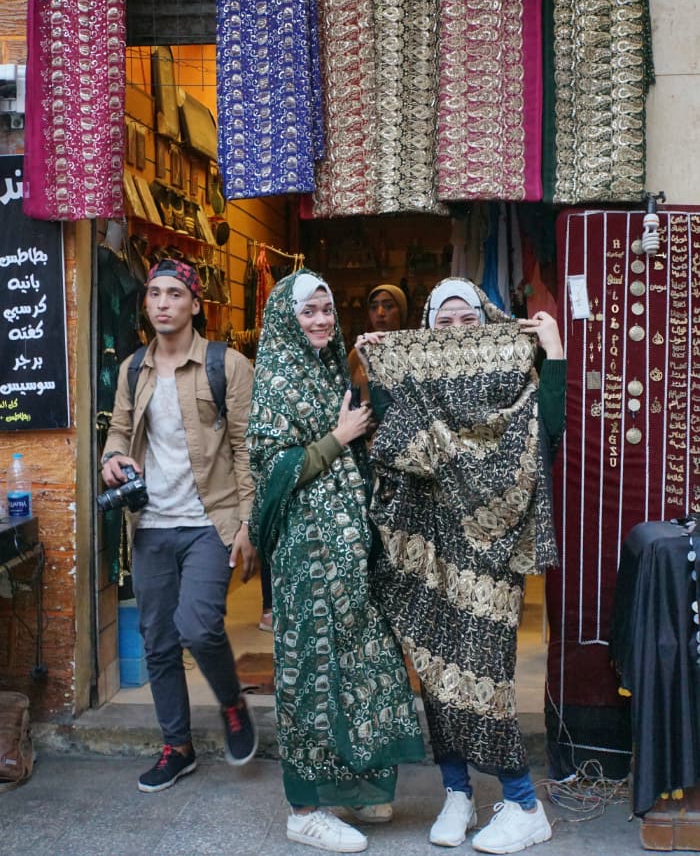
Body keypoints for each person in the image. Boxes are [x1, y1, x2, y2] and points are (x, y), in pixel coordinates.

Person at [354, 277, 566, 854]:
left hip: (490, 551)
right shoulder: (416, 378)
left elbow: (548, 429)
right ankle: (456, 792)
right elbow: (394, 444)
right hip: (429, 547)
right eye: (441, 324)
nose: (454, 333)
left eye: (466, 322)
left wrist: (555, 355)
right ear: (426, 330)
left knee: (484, 676)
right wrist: (383, 370)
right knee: (438, 671)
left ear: (486, 324)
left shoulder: (512, 383)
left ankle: (524, 802)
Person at [246, 269, 425, 854]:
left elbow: (371, 422)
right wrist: (336, 439)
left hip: (349, 556)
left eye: (326, 309)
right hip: (307, 560)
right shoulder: (275, 378)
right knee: (311, 677)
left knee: (361, 666)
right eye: (308, 312)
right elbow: (271, 472)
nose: (320, 319)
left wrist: (369, 361)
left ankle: (358, 784)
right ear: (285, 321)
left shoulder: (327, 369)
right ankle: (304, 808)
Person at [101, 258, 259, 793]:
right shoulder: (131, 370)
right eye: (154, 293)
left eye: (174, 293)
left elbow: (246, 449)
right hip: (149, 525)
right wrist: (112, 459)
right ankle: (178, 746)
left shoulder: (228, 364)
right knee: (159, 641)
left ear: (195, 304)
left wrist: (246, 524)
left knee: (197, 626)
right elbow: (119, 432)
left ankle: (232, 702)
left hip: (208, 522)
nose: (162, 302)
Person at [347, 284, 408, 399]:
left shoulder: (413, 352)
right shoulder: (357, 355)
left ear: (401, 311)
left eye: (388, 306)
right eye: (374, 307)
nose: (380, 313)